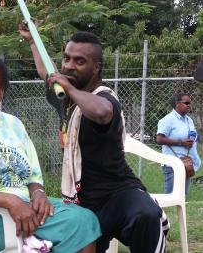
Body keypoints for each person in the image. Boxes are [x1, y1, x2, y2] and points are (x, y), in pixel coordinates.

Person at [0, 50, 101, 253]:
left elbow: (33, 174)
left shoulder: (13, 124)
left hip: (22, 207)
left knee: (85, 218)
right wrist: (10, 201)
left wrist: (38, 192)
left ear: (2, 90)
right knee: (80, 226)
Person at [19, 26, 169, 253]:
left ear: (96, 68)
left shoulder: (104, 97)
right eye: (67, 58)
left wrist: (68, 86)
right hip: (83, 201)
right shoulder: (65, 98)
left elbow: (102, 112)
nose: (69, 65)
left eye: (79, 61)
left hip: (118, 194)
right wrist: (32, 41)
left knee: (146, 215)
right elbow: (46, 73)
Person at [156, 93, 201, 196]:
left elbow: (192, 134)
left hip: (187, 163)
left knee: (183, 196)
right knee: (171, 196)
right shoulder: (167, 120)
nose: (189, 105)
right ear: (177, 104)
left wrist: (194, 138)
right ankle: (167, 212)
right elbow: (159, 139)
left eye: (190, 103)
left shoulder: (189, 120)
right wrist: (181, 143)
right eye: (186, 103)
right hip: (173, 163)